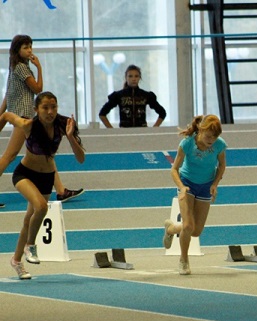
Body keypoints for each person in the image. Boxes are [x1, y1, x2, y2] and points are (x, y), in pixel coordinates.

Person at [0, 92, 85, 279]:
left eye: (53, 107)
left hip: (46, 177)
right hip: (24, 174)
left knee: (29, 219)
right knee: (41, 207)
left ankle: (16, 261)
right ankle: (30, 246)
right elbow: (6, 115)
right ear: (36, 110)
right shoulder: (28, 125)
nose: (50, 112)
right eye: (45, 108)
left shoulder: (64, 125)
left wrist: (70, 137)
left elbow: (81, 159)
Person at [0, 34, 84, 204]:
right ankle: (61, 190)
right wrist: (39, 67)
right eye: (25, 47)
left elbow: (7, 96)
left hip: (23, 114)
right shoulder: (22, 69)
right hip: (24, 116)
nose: (29, 50)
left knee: (47, 153)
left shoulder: (14, 68)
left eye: (30, 46)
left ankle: (61, 190)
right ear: (17, 50)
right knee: (9, 156)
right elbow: (38, 89)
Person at [162, 114, 226, 275]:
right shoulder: (187, 143)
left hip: (205, 186)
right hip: (187, 184)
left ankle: (171, 229)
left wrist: (215, 184)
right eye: (209, 136)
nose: (212, 140)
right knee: (188, 226)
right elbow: (174, 169)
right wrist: (181, 187)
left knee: (196, 231)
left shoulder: (219, 145)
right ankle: (184, 260)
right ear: (201, 130)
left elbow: (222, 166)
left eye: (215, 137)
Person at [99, 64, 167, 128]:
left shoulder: (146, 95)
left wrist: (154, 128)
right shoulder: (119, 95)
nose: (133, 79)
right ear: (126, 78)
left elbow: (162, 113)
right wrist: (112, 130)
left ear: (139, 78)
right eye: (130, 76)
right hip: (125, 132)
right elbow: (102, 114)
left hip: (142, 131)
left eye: (136, 76)